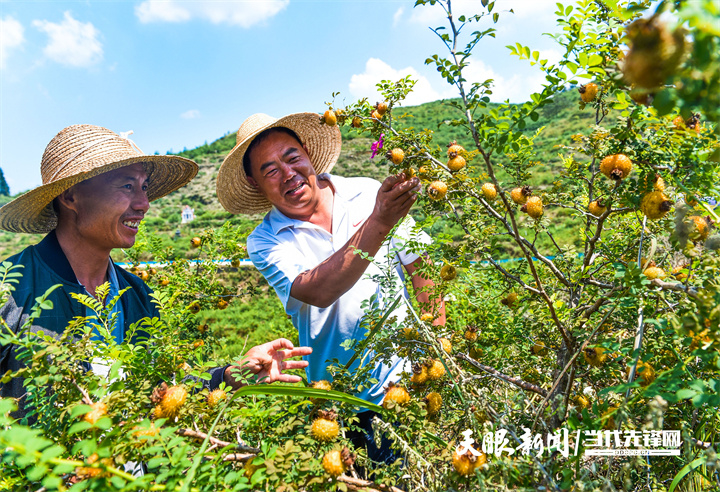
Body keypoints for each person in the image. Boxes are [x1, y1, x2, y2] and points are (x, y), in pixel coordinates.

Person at [0, 124, 311, 419]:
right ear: (70, 196)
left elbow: (166, 385)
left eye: (145, 187)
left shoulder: (137, 295)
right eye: (127, 186)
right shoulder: (10, 290)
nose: (144, 203)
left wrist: (231, 375)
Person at [215, 112, 445, 463]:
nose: (288, 174)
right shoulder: (264, 241)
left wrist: (436, 349)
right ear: (255, 182)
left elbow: (420, 265)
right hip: (343, 401)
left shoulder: (366, 192)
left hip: (411, 377)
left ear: (307, 152)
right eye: (270, 170)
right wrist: (379, 222)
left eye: (292, 158)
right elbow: (318, 290)